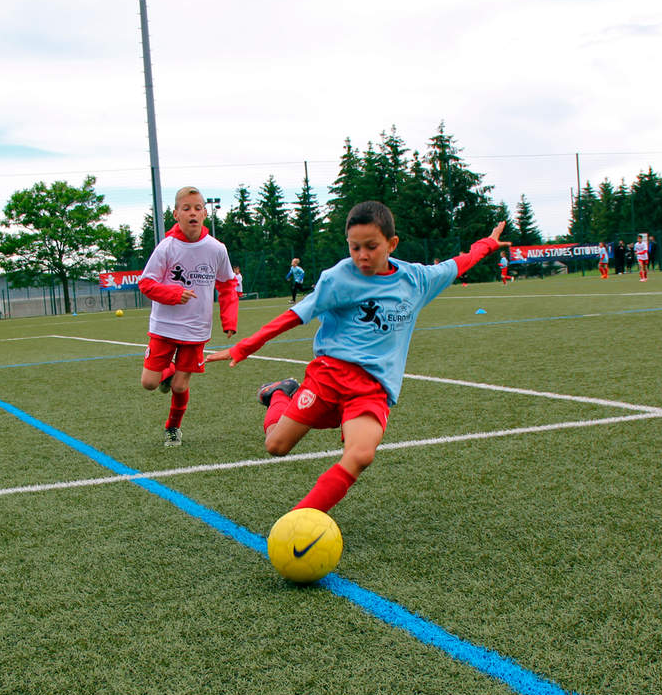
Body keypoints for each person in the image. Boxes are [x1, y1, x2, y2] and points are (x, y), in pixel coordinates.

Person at [206, 201, 509, 519]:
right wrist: (244, 348)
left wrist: (488, 242)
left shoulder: (417, 280)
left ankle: (299, 521)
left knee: (361, 454)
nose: (362, 256)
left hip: (372, 388)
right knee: (276, 446)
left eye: (371, 246)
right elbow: (296, 315)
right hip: (329, 377)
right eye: (354, 247)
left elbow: (461, 262)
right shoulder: (338, 278)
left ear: (392, 244)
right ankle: (280, 393)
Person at [137, 187, 238, 448]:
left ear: (205, 212)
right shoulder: (167, 248)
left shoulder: (217, 249)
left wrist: (229, 321)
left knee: (180, 387)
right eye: (186, 208)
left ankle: (173, 428)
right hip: (165, 327)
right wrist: (173, 293)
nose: (192, 213)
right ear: (176, 214)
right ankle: (166, 373)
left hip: (196, 330)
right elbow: (146, 284)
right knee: (149, 383)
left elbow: (227, 285)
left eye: (197, 208)